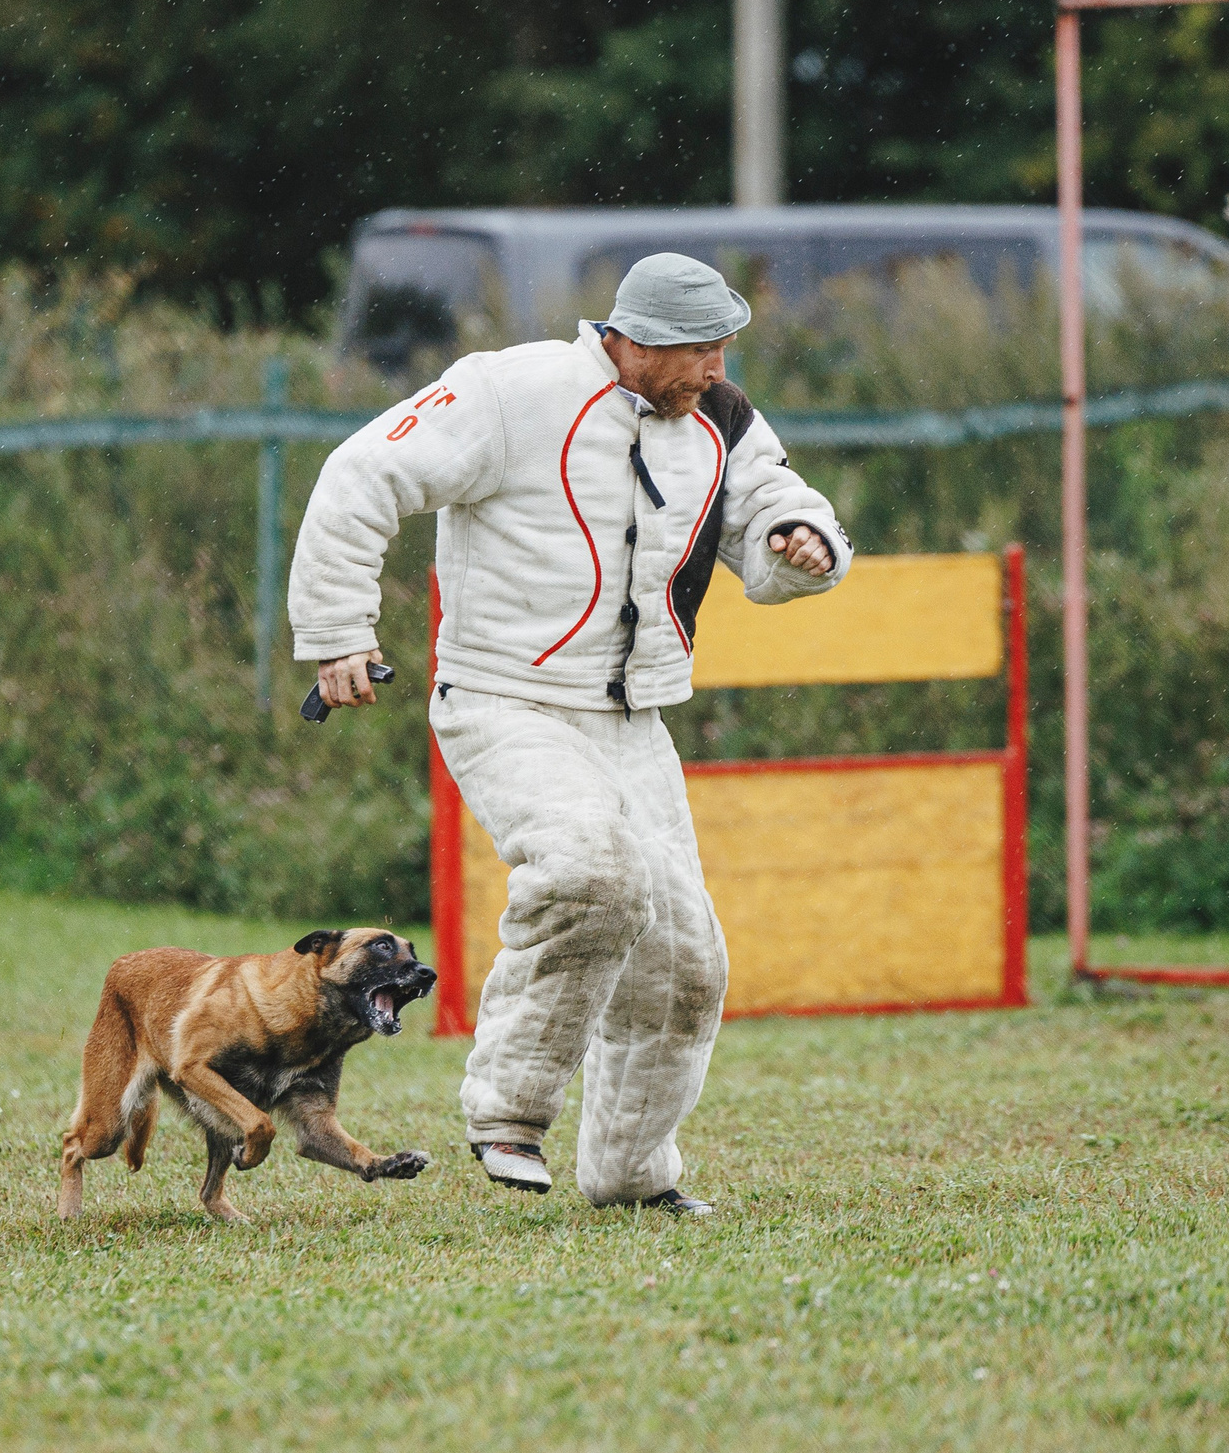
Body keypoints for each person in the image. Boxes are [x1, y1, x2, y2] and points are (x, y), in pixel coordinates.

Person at [288, 252, 850, 1215]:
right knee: (593, 872)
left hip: (633, 720)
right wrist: (339, 631)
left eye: (723, 349)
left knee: (686, 965)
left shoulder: (720, 417)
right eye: (701, 351)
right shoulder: (508, 393)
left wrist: (800, 541)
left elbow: (769, 503)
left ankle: (633, 1177)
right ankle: (507, 1110)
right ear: (636, 341)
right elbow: (363, 473)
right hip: (504, 700)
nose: (717, 369)